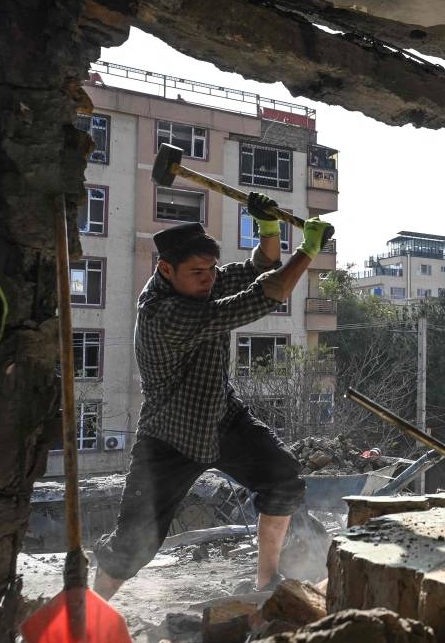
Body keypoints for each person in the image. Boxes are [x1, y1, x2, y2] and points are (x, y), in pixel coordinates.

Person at [93, 193, 330, 599]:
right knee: (133, 547)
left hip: (222, 418)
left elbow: (260, 267)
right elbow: (266, 293)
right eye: (197, 272)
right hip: (171, 437)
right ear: (166, 270)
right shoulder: (163, 315)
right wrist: (308, 249)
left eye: (211, 270)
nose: (208, 279)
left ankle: (266, 582)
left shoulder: (199, 281)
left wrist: (267, 226)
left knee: (284, 483)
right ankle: (88, 613)